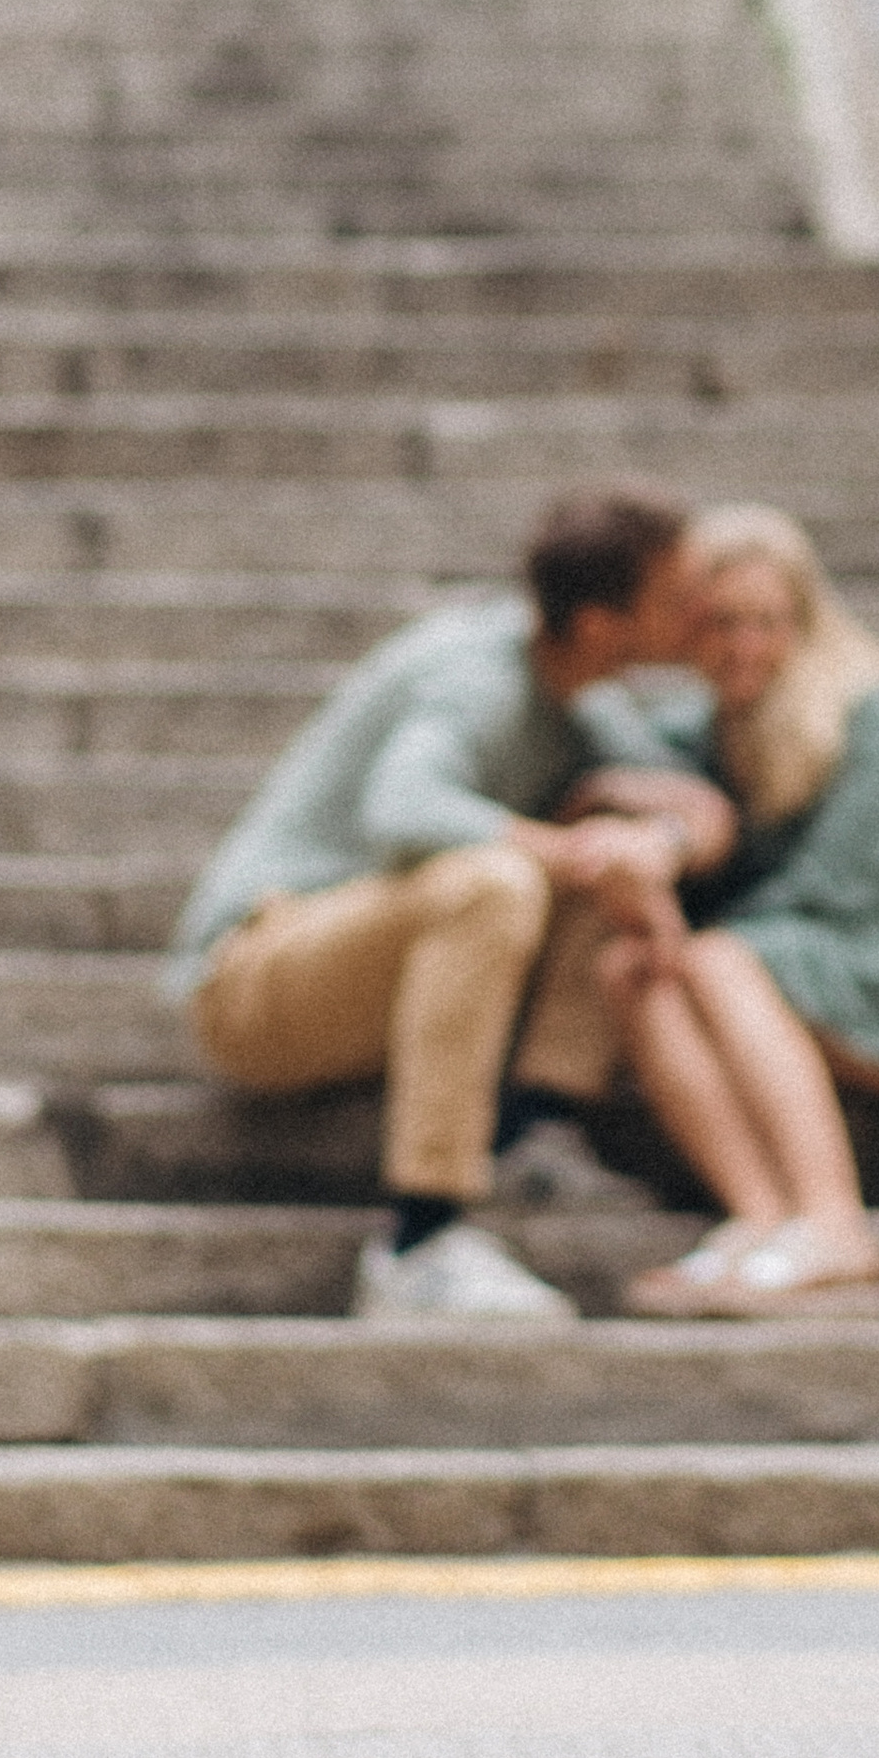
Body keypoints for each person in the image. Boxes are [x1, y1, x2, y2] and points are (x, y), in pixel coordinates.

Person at [165, 482, 736, 1324]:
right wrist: (576, 853)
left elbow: (692, 799)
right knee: (494, 879)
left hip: (382, 983)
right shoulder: (476, 672)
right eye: (679, 599)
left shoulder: (580, 697)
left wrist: (657, 847)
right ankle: (418, 1242)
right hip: (257, 975)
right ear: (602, 625)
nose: (702, 612)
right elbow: (404, 809)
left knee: (602, 851)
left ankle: (531, 1136)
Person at [603, 503, 879, 1321]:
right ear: (684, 629)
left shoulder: (856, 710)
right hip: (809, 967)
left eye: (767, 623)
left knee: (712, 957)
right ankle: (758, 1220)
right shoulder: (694, 734)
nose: (744, 646)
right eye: (721, 624)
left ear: (803, 622)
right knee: (632, 971)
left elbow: (838, 886)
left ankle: (835, 1227)